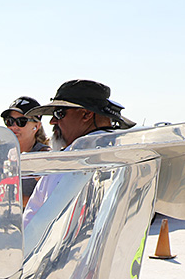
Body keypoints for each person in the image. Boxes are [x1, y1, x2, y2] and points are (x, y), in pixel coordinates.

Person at [22, 80, 135, 226]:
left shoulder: (70, 162)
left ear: (86, 114)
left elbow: (35, 226)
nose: (52, 121)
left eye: (59, 113)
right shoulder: (130, 157)